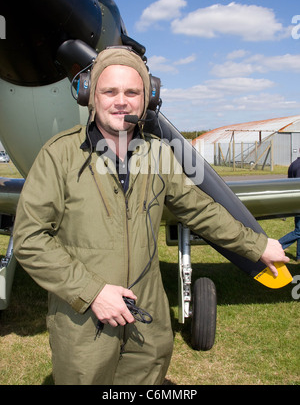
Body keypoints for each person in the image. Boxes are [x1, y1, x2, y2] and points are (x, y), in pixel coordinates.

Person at [13, 46, 289, 385]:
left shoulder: (158, 154)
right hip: (85, 318)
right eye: (109, 91)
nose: (121, 100)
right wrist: (92, 291)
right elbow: (29, 239)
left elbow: (198, 208)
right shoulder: (59, 155)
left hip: (148, 318)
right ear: (89, 95)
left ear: (147, 99)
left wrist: (256, 244)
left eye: (132, 92)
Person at [279, 157, 300, 261]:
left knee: (299, 229)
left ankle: (299, 256)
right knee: (299, 232)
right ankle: (278, 245)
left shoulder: (293, 164)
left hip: (295, 201)